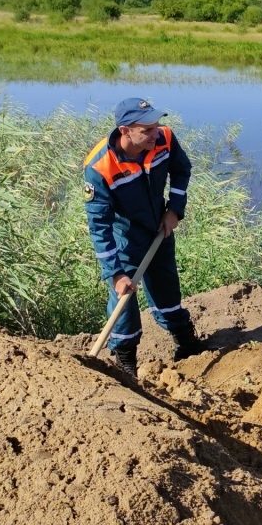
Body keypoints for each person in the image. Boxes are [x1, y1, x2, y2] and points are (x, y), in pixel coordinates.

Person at [83, 98, 206, 376]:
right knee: (124, 301)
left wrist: (174, 210)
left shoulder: (164, 138)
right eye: (147, 129)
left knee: (167, 290)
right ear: (125, 131)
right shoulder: (100, 167)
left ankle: (186, 342)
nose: (156, 133)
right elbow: (99, 226)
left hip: (159, 229)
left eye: (156, 125)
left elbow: (181, 170)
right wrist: (114, 274)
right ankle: (126, 363)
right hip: (126, 238)